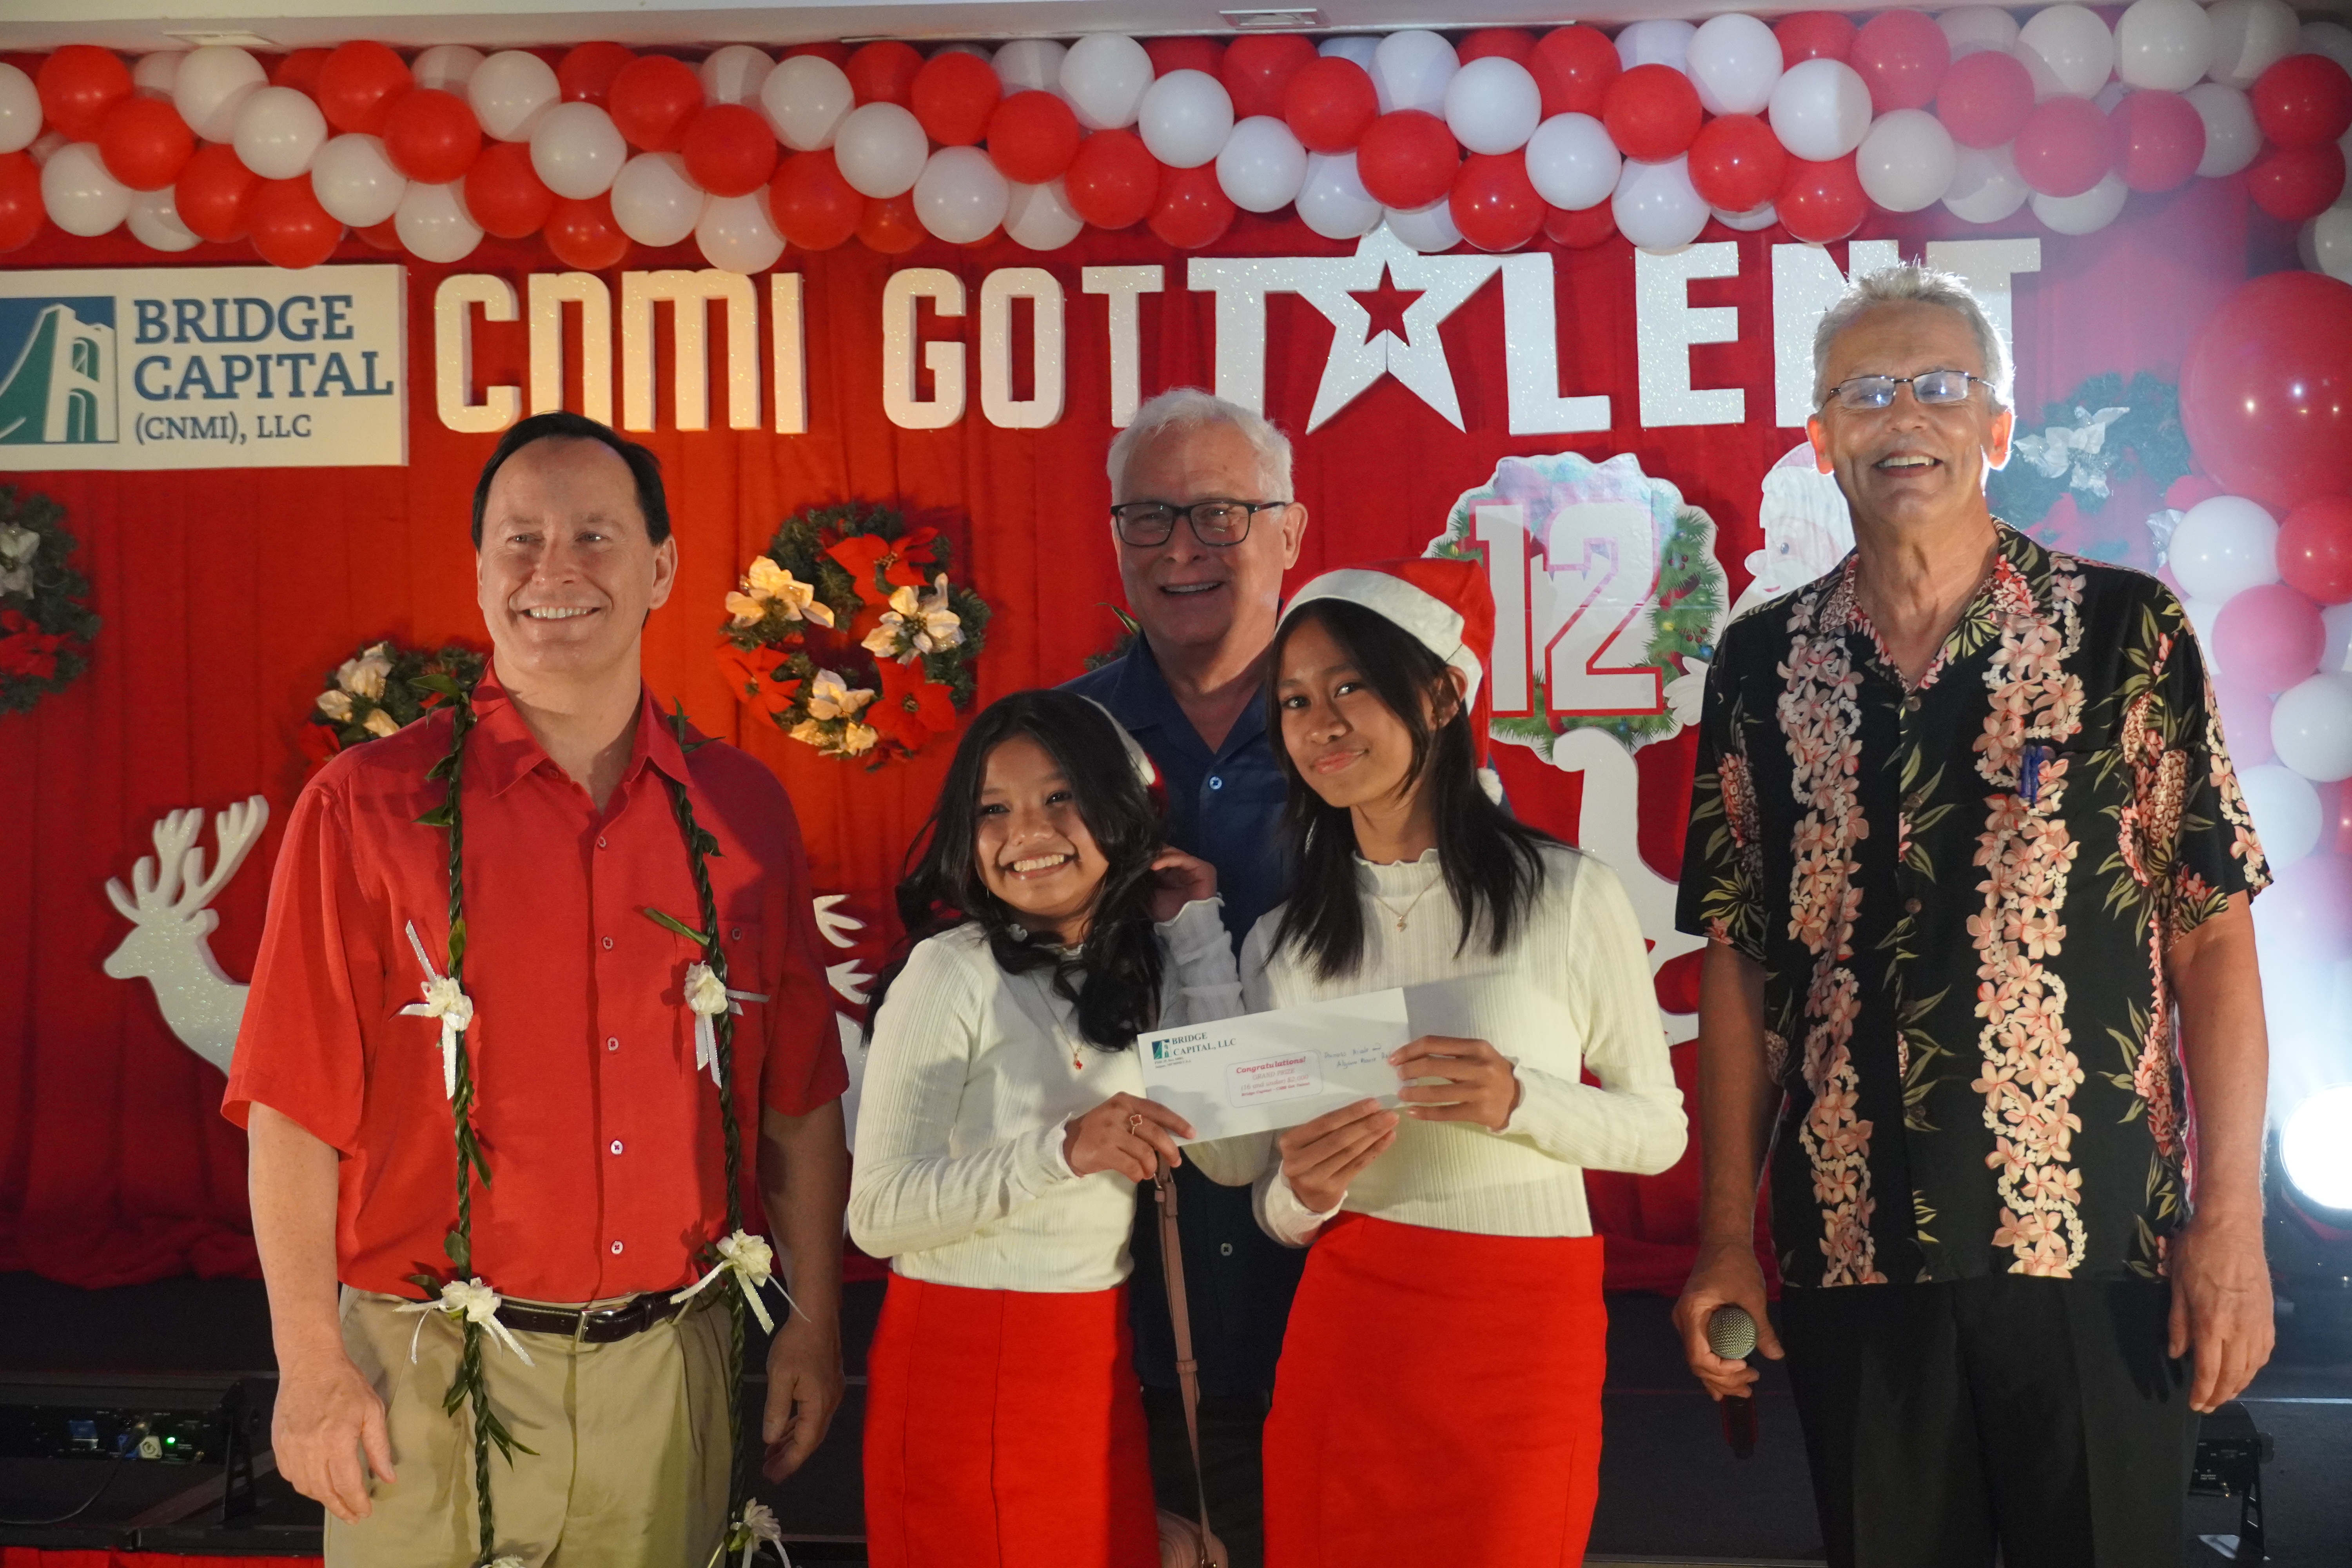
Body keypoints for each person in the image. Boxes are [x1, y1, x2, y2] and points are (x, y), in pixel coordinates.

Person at [1672, 263, 2275, 1568]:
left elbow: (2212, 934)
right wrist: (1725, 1234)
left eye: (1942, 386)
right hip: (1848, 1250)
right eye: (1869, 391)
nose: (1908, 417)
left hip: (2096, 1250)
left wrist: (2228, 1227)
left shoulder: (2126, 630)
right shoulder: (1764, 665)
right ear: (1820, 433)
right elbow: (1739, 959)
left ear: (1997, 426)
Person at [225, 412, 851, 1566]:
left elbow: (801, 1100)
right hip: (421, 1384)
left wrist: (813, 1328)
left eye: (595, 537)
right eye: (521, 540)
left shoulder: (743, 813)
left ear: (660, 567)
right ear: (477, 573)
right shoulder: (365, 807)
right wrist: (310, 1366)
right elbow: (291, 1109)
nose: (554, 571)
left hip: (673, 1379)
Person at [1240, 558, 1688, 1568]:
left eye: (1351, 685)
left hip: (1523, 1326)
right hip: (1351, 1319)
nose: (1322, 723)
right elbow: (1269, 1193)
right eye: (1296, 701)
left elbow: (1659, 1129)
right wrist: (1303, 1195)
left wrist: (1520, 1098)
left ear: (1441, 693)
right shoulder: (1281, 939)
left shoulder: (1567, 893)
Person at [847, 688, 1250, 1568]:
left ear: (1116, 805)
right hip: (963, 1362)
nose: (1028, 830)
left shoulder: (1142, 969)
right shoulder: (948, 972)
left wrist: (1195, 934)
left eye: (1059, 796)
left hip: (1093, 1365)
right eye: (995, 808)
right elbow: (877, 1211)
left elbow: (1235, 1153)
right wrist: (1062, 1151)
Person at [1060, 387, 1311, 1568]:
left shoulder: (1377, 731)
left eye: (1219, 516)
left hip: (1335, 1267)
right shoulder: (1056, 746)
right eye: (1149, 518)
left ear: (1290, 533)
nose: (1180, 550)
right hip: (1120, 1287)